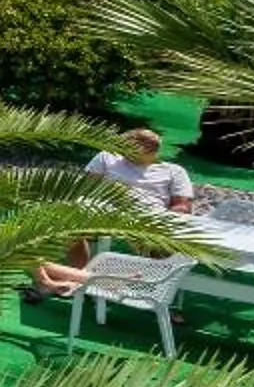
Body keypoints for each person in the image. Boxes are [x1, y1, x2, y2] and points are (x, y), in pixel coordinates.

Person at [29, 128, 194, 300]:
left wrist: (163, 219)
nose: (124, 152)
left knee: (157, 247)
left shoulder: (173, 171)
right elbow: (85, 187)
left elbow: (183, 206)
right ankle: (78, 280)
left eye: (133, 148)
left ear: (152, 151)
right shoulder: (107, 158)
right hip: (102, 208)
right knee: (67, 225)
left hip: (145, 215)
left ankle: (66, 281)